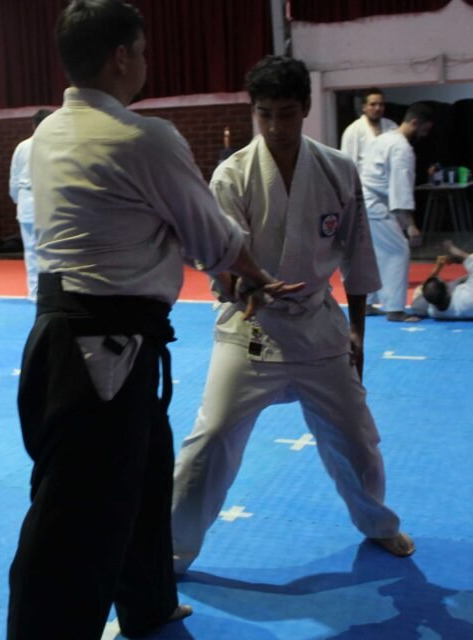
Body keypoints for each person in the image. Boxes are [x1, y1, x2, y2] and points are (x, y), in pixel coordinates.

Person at [5, 3, 298, 638]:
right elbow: (213, 238)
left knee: (141, 475)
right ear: (120, 58)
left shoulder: (49, 133)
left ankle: (148, 602)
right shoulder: (143, 137)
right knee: (75, 519)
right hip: (101, 352)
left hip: (72, 339)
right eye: (140, 51)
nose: (145, 62)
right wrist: (257, 276)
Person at [171, 56, 416, 579]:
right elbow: (220, 260)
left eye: (287, 113)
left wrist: (357, 330)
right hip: (251, 327)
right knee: (209, 440)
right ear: (253, 112)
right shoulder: (232, 174)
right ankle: (170, 552)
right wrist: (245, 283)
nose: (276, 127)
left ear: (306, 108)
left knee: (359, 441)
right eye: (265, 115)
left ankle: (377, 523)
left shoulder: (336, 169)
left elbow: (358, 257)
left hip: (319, 326)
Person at [359, 102, 434, 322]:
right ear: (415, 122)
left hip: (363, 202)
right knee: (398, 251)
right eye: (425, 129)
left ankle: (367, 303)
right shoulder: (401, 148)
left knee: (370, 255)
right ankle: (395, 309)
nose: (424, 134)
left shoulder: (383, 138)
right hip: (376, 205)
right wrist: (410, 224)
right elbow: (399, 187)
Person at [9, 109, 53, 302]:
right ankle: (52, 291)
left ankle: (34, 292)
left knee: (31, 250)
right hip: (49, 201)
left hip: (26, 201)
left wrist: (18, 200)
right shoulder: (56, 146)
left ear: (33, 126)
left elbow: (14, 180)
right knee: (51, 249)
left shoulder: (22, 147)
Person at [340, 88, 398, 169]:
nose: (377, 108)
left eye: (381, 104)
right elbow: (347, 163)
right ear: (364, 107)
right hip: (363, 180)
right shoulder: (353, 130)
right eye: (373, 104)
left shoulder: (392, 126)